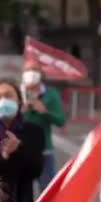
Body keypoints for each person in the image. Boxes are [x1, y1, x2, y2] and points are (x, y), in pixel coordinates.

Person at [0, 79, 44, 202]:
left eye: (8, 95)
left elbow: (36, 170)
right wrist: (3, 155)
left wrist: (19, 149)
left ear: (19, 100)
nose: (3, 100)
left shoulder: (33, 131)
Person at [20, 58, 67, 190]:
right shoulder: (17, 93)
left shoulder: (51, 94)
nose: (31, 73)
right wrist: (21, 110)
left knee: (47, 191)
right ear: (23, 73)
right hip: (20, 151)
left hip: (44, 151)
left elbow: (61, 120)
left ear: (41, 74)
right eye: (28, 70)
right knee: (23, 194)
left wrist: (45, 112)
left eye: (35, 70)